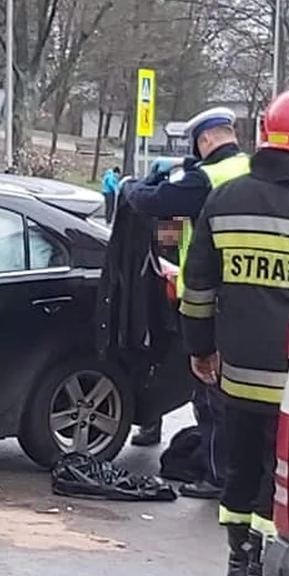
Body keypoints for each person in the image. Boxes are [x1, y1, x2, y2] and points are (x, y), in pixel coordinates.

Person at [179, 86, 289, 576]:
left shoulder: (226, 198)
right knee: (274, 469)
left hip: (235, 371)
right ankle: (261, 570)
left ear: (265, 132)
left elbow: (198, 289)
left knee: (239, 465)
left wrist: (200, 349)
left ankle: (237, 561)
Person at [120, 107, 250, 501]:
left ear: (205, 140)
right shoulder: (248, 168)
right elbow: (175, 228)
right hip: (251, 296)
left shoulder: (204, 179)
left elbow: (154, 203)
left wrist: (129, 186)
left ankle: (215, 475)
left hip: (211, 298)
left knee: (209, 392)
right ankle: (237, 471)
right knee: (240, 395)